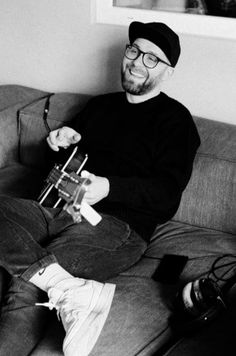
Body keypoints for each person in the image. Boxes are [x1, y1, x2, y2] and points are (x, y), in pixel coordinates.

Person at [0, 21, 200, 356]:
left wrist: (109, 188)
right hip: (57, 208)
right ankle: (70, 289)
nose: (137, 61)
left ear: (168, 72)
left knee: (25, 284)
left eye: (151, 58)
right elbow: (67, 159)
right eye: (134, 50)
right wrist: (59, 142)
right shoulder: (100, 106)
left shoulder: (176, 122)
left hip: (114, 227)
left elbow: (167, 197)